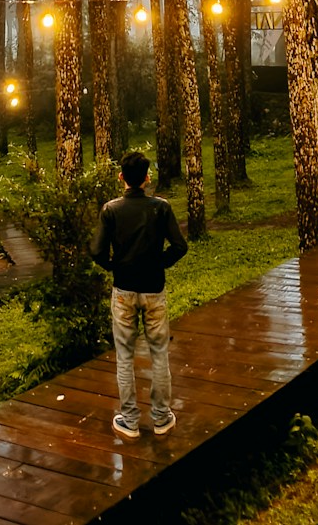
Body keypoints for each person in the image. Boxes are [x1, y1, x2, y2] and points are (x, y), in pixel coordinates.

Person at [89, 150, 187, 439]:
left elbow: (96, 250)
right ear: (147, 178)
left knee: (124, 355)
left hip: (123, 289)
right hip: (154, 289)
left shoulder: (111, 210)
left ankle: (130, 421)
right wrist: (160, 263)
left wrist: (113, 266)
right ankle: (161, 418)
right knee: (159, 354)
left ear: (121, 177)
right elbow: (180, 246)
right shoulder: (161, 208)